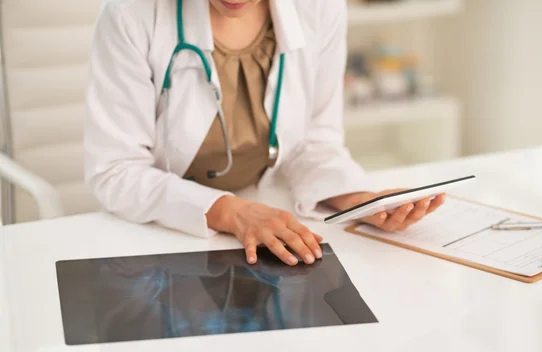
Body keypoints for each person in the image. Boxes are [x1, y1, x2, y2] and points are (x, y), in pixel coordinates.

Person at [84, 0, 445, 267]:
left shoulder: (319, 8)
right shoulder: (131, 13)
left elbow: (314, 142)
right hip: (155, 234)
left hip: (265, 223)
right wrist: (229, 212)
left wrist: (357, 200)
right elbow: (116, 171)